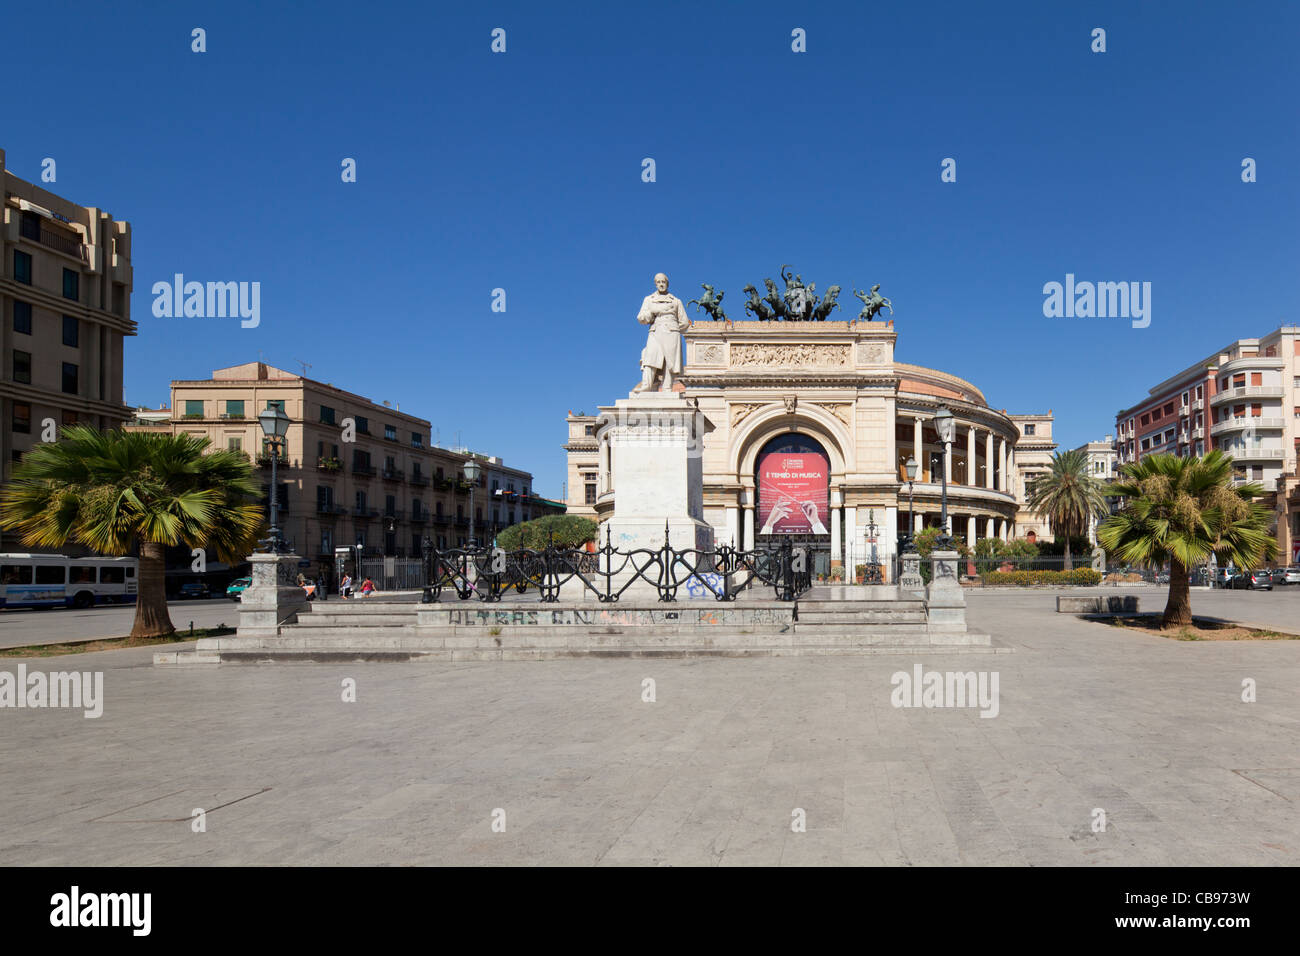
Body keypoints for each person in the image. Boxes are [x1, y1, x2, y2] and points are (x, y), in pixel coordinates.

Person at [634, 273, 691, 392]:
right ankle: (647, 385)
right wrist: (652, 312)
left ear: (667, 284)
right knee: (650, 357)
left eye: (663, 282)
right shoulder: (649, 299)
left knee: (669, 361)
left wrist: (673, 327)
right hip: (656, 331)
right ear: (655, 284)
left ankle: (667, 387)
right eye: (659, 282)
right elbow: (641, 318)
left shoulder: (676, 301)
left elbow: (684, 322)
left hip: (672, 332)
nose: (661, 284)